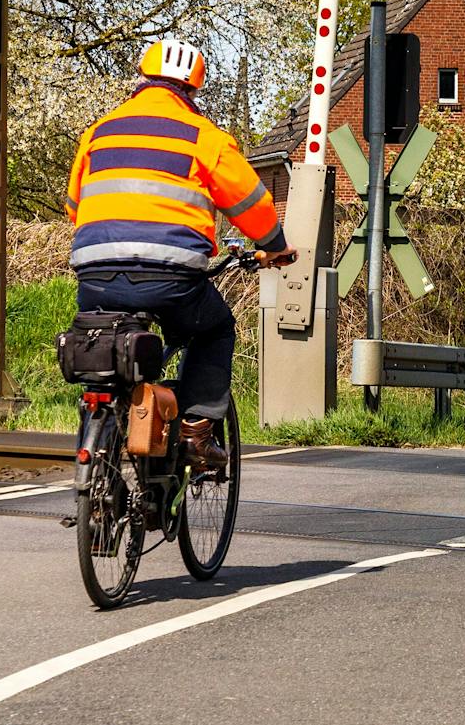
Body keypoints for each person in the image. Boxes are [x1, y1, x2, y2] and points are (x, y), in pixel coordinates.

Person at [64, 39, 294, 469]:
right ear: (192, 92)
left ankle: (97, 457)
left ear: (142, 81)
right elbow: (254, 205)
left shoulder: (99, 132)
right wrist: (276, 248)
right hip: (170, 281)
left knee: (104, 356)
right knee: (215, 329)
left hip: (95, 274)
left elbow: (75, 207)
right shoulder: (204, 138)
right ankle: (195, 434)